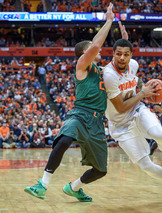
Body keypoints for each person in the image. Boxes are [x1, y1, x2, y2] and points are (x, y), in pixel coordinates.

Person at [24, 3, 115, 202]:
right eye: (90, 47)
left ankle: (74, 187)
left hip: (98, 122)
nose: (94, 48)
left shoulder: (105, 71)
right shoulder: (82, 65)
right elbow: (97, 46)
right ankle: (42, 185)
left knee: (101, 170)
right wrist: (109, 21)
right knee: (64, 140)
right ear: (84, 53)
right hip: (80, 114)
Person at [103, 38, 162, 199]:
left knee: (158, 135)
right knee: (145, 165)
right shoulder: (109, 75)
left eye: (126, 54)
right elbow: (121, 107)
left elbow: (134, 81)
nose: (122, 58)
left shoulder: (134, 65)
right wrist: (143, 93)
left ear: (131, 55)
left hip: (137, 110)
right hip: (119, 123)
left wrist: (147, 92)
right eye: (118, 54)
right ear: (113, 54)